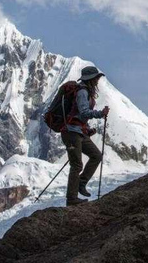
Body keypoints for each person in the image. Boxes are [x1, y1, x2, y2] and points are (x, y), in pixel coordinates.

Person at [61, 66, 110, 206]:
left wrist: (87, 129)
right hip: (71, 133)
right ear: (90, 79)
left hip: (79, 132)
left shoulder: (86, 92)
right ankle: (71, 198)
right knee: (76, 164)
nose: (97, 81)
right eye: (96, 78)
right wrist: (100, 113)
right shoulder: (82, 92)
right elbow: (83, 112)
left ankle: (80, 184)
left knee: (96, 156)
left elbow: (78, 115)